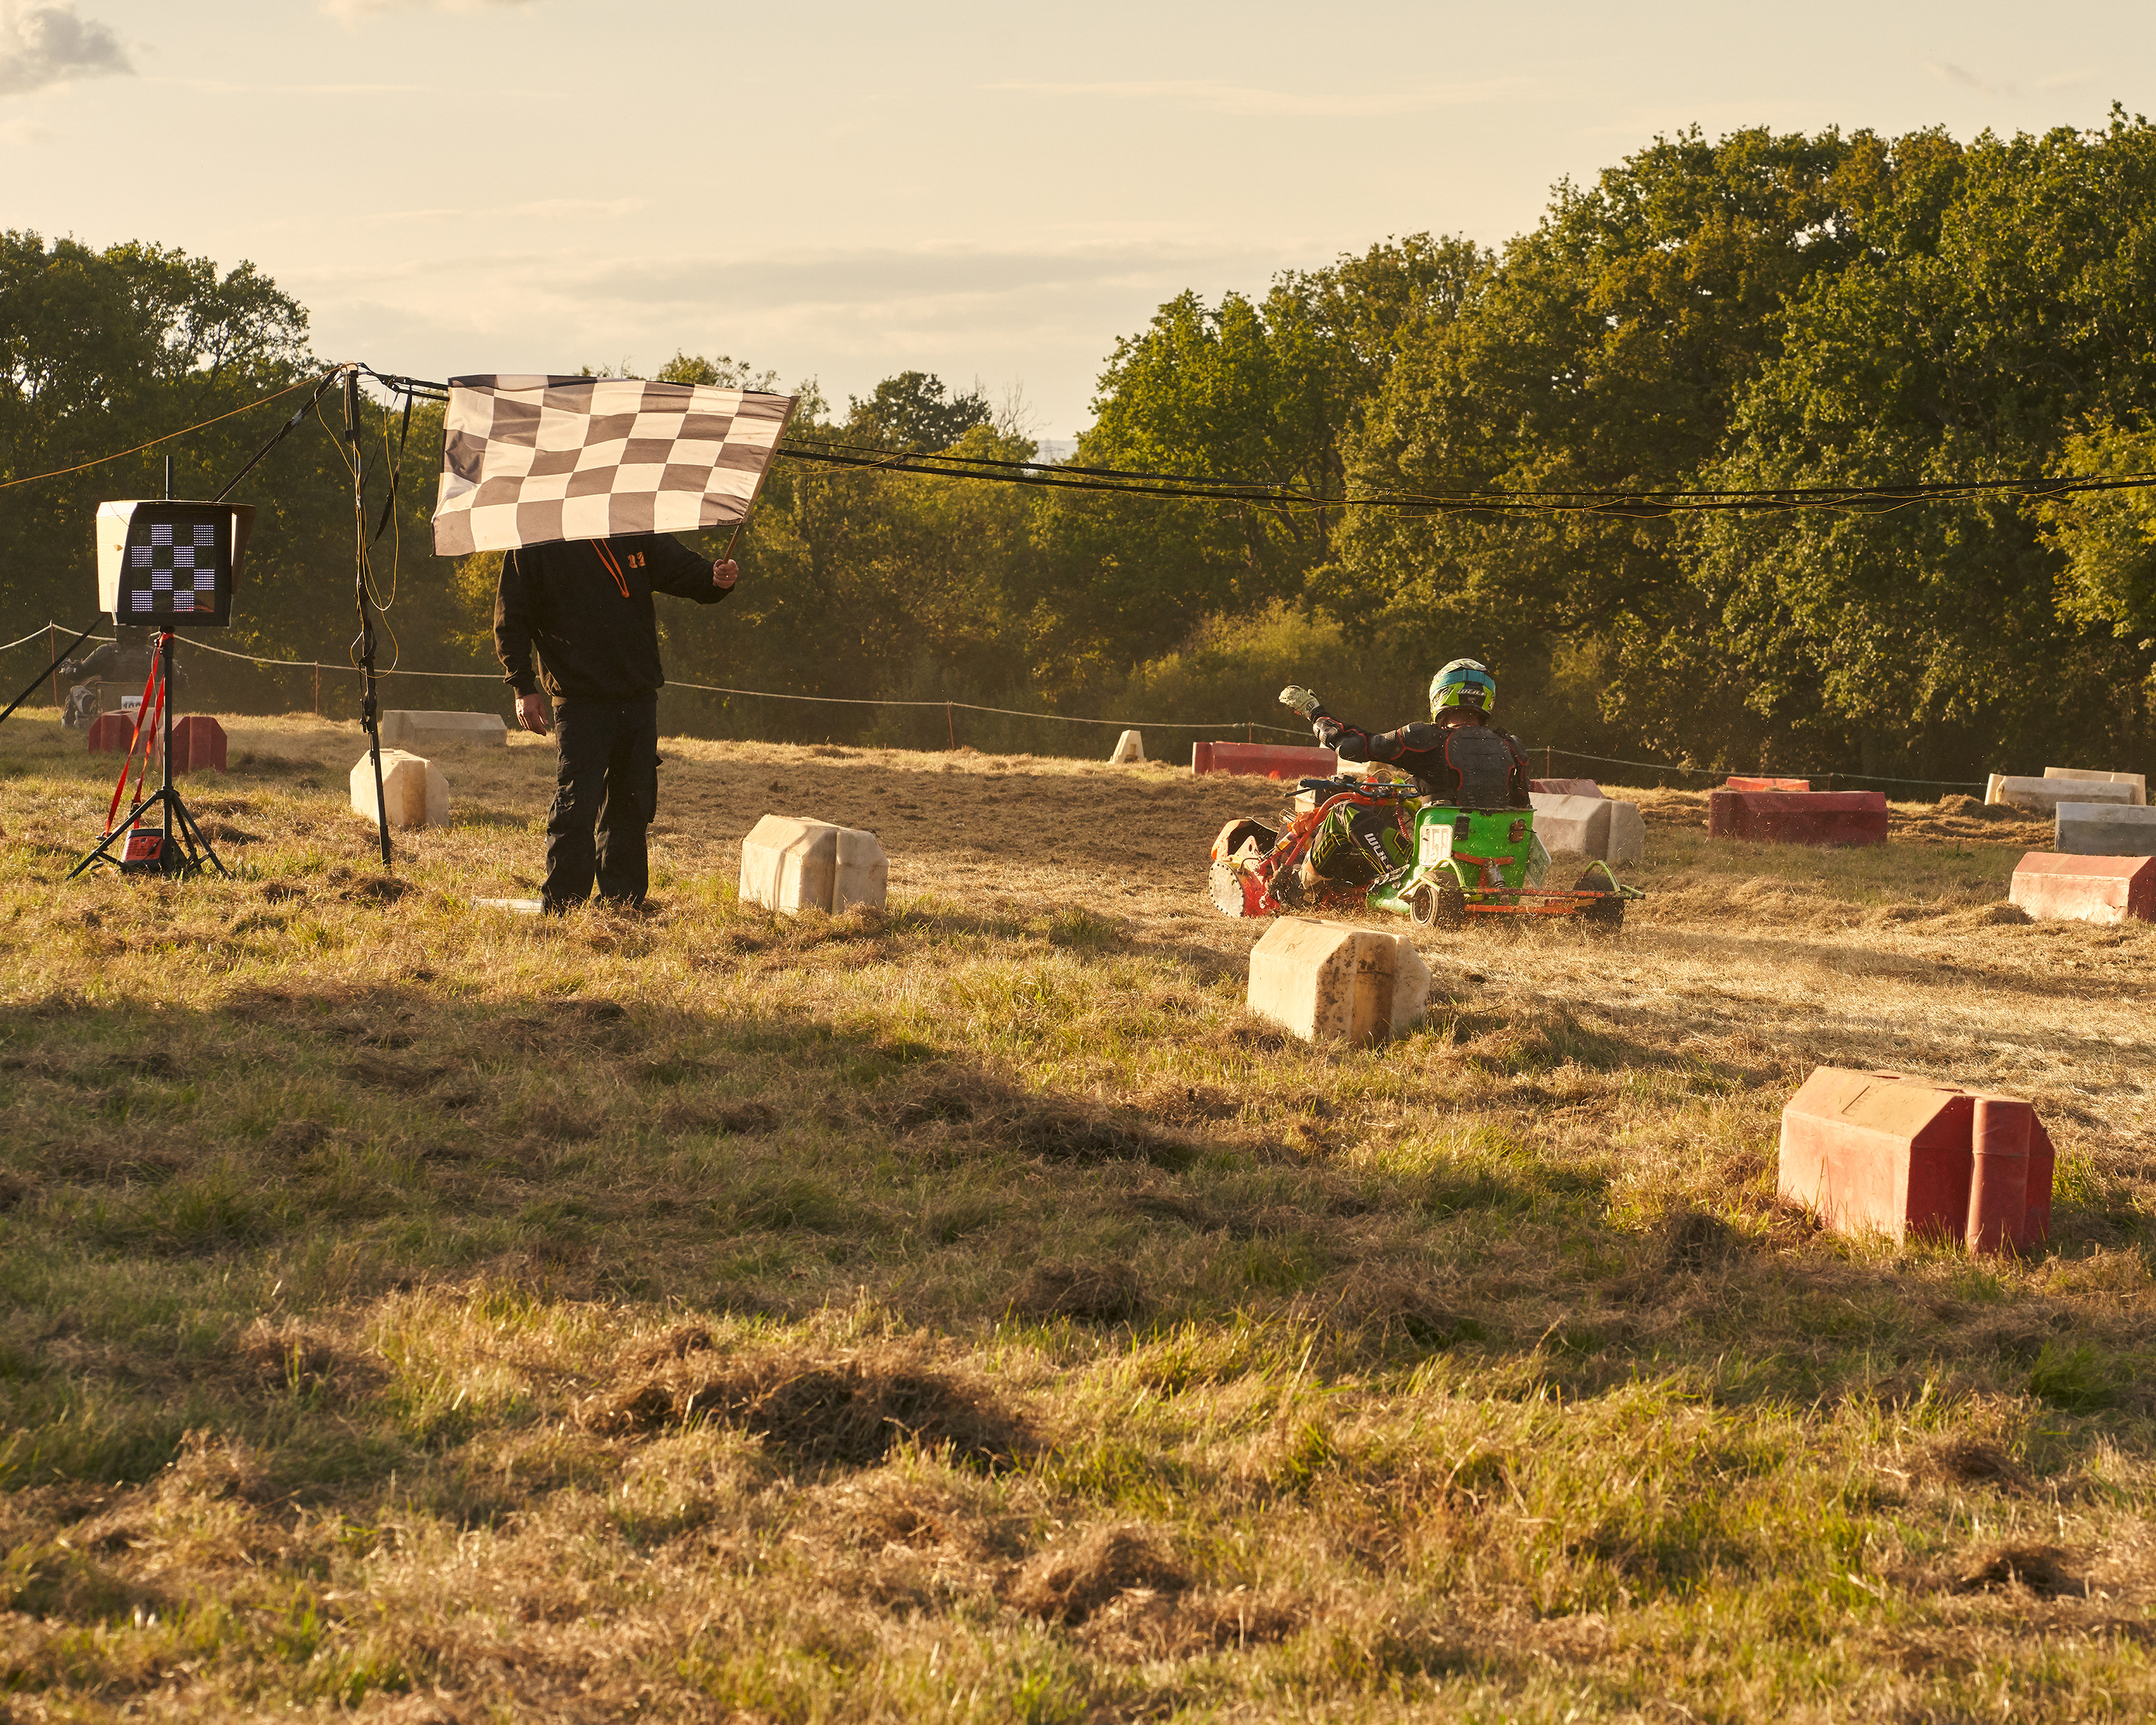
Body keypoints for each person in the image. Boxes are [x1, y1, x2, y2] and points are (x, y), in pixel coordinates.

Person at [495, 533, 738, 912]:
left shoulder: (630, 525)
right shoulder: (537, 538)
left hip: (637, 693)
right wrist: (522, 687)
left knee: (632, 801)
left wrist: (715, 578)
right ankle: (563, 903)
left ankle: (621, 901)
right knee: (579, 800)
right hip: (579, 696)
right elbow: (512, 618)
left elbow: (684, 570)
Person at [1276, 658, 1533, 892]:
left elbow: (1352, 747)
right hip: (1494, 865)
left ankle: (1302, 888)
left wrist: (1315, 713)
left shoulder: (1428, 738)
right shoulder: (1512, 747)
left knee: (1343, 811)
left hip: (1431, 867)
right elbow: (1521, 806)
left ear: (1440, 695)